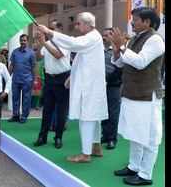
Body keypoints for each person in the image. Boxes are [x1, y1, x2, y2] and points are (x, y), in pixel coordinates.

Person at [37, 12, 108, 162]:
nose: (76, 26)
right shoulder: (92, 38)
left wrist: (49, 32)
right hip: (88, 82)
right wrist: (72, 76)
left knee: (87, 117)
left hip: (89, 85)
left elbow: (73, 43)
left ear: (88, 24)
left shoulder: (92, 37)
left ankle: (85, 154)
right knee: (93, 116)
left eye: (78, 23)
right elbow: (80, 60)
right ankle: (96, 147)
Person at [108, 7, 164, 186]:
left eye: (136, 19)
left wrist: (122, 46)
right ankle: (134, 166)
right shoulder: (134, 38)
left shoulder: (155, 39)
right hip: (132, 94)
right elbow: (120, 63)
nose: (132, 22)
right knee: (134, 133)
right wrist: (117, 50)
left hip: (147, 96)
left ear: (147, 22)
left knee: (149, 137)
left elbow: (140, 62)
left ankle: (145, 174)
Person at [34, 20, 71, 149]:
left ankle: (58, 137)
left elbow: (58, 55)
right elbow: (38, 57)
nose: (47, 30)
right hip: (49, 79)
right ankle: (42, 137)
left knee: (61, 111)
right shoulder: (47, 43)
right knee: (47, 110)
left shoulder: (65, 42)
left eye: (51, 28)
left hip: (63, 80)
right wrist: (39, 43)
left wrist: (43, 42)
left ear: (59, 29)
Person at [101, 28, 122, 150]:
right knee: (102, 111)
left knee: (113, 113)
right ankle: (105, 135)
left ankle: (112, 139)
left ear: (113, 36)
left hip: (113, 85)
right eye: (103, 35)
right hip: (99, 86)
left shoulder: (118, 50)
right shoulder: (98, 50)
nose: (104, 37)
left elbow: (120, 68)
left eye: (107, 35)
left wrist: (109, 79)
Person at [8, 34, 35, 123]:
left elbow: (33, 67)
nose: (22, 42)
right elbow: (12, 65)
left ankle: (24, 116)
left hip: (27, 80)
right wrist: (8, 76)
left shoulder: (31, 53)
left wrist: (33, 80)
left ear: (27, 41)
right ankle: (15, 115)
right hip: (16, 79)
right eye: (21, 40)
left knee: (26, 99)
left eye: (24, 40)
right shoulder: (15, 52)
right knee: (15, 98)